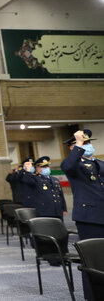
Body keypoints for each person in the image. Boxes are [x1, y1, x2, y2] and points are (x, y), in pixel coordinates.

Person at [61, 129, 104, 301]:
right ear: (73, 147)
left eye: (88, 143)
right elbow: (68, 165)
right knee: (91, 260)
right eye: (82, 143)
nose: (87, 146)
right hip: (89, 218)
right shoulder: (73, 166)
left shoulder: (100, 164)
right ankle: (92, 296)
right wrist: (78, 144)